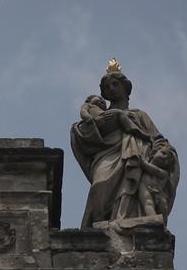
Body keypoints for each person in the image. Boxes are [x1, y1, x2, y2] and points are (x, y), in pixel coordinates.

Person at [70, 61, 179, 227]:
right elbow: (85, 134)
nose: (111, 88)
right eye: (107, 87)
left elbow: (156, 138)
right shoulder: (101, 115)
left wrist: (163, 151)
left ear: (125, 88)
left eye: (115, 84)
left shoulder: (139, 115)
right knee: (99, 186)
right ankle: (98, 233)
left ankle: (126, 223)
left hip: (135, 156)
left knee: (134, 189)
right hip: (107, 155)